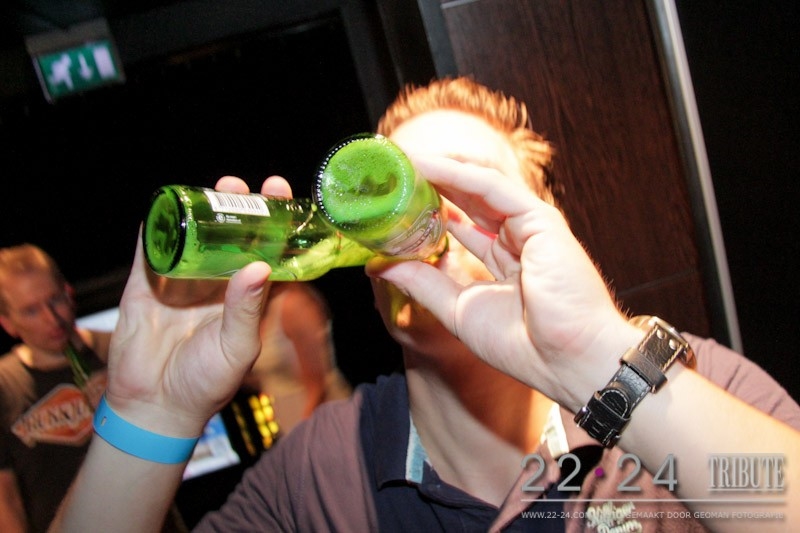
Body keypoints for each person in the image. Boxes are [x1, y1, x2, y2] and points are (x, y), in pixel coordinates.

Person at [52, 77, 800, 532]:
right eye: (397, 193)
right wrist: (151, 416)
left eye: (466, 188)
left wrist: (595, 362)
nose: (426, 221)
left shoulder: (693, 388)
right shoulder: (324, 478)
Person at [0, 244, 110, 533]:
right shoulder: (5, 386)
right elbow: (5, 500)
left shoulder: (117, 349)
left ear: (68, 291)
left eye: (55, 300)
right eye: (31, 311)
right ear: (8, 323)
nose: (52, 319)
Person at [242, 282, 352, 435]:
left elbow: (318, 385)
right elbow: (268, 378)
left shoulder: (293, 304)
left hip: (324, 422)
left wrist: (303, 436)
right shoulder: (256, 316)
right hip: (291, 424)